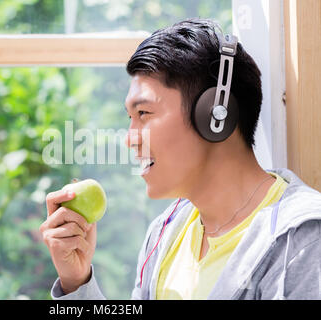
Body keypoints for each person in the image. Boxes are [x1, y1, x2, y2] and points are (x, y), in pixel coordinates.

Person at [39, 18, 321, 300]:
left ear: (214, 116)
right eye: (130, 118)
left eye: (144, 114)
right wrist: (77, 282)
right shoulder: (166, 233)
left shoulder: (303, 244)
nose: (129, 138)